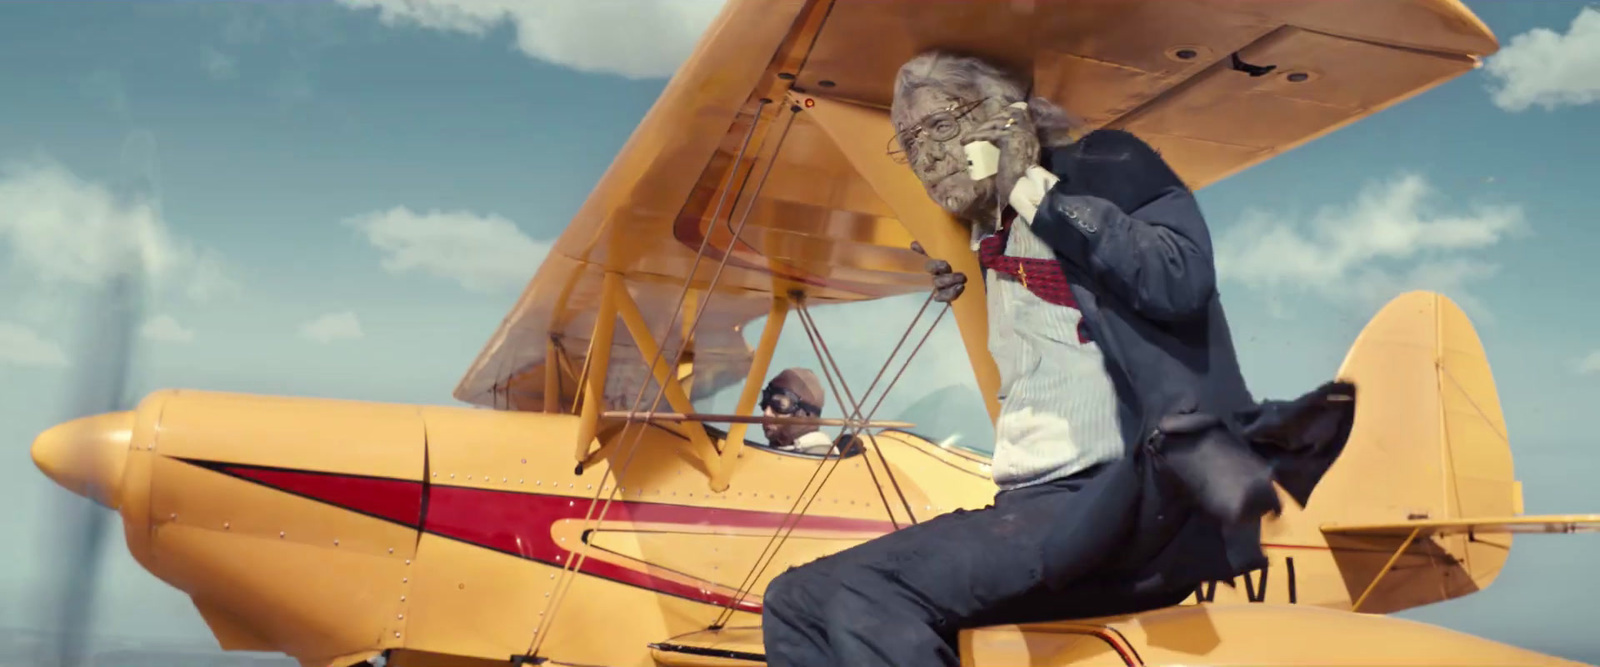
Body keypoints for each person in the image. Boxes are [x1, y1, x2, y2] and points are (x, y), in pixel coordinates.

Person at [760, 50, 1358, 667]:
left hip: (1120, 500)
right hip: (1035, 508)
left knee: (865, 591)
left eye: (940, 127)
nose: (927, 155)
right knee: (793, 600)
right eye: (908, 141)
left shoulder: (1111, 166)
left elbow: (1179, 279)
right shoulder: (982, 233)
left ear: (1004, 117)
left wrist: (1026, 182)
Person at [760, 368, 835, 456]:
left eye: (779, 404)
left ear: (805, 414)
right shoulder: (780, 454)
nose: (766, 413)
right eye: (765, 401)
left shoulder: (819, 459)